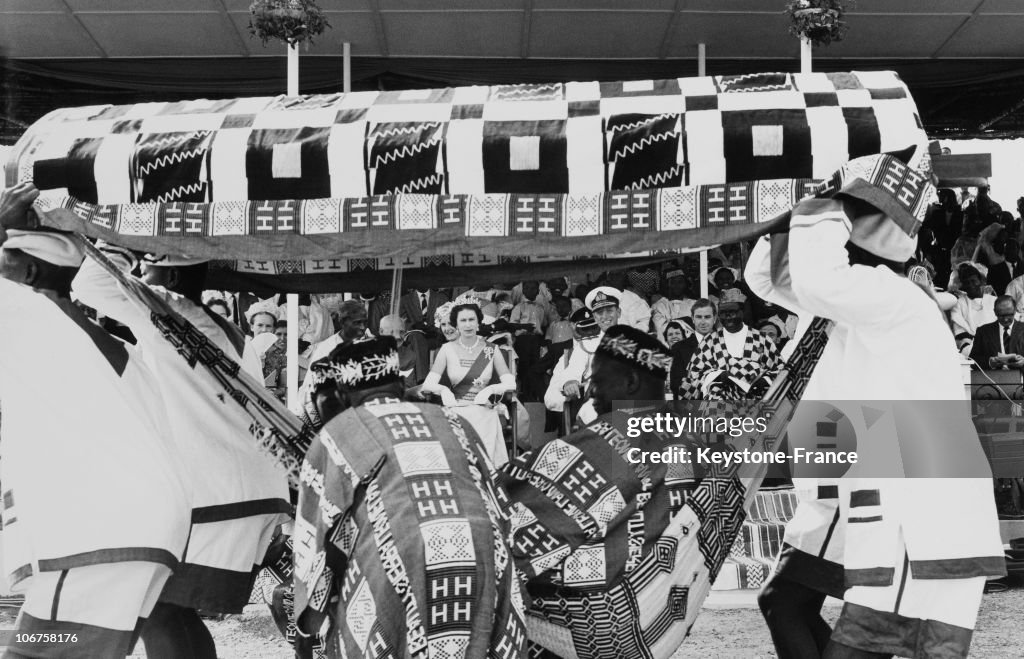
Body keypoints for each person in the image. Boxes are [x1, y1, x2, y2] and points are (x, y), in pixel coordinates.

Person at [747, 181, 1004, 659]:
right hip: (855, 484)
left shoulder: (893, 298)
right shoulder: (844, 304)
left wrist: (827, 198)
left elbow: (813, 279)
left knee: (862, 649)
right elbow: (767, 279)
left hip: (916, 501)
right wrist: (797, 199)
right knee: (783, 602)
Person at [73, 241, 291, 659]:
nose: (137, 281)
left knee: (155, 605)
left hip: (214, 491)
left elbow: (91, 282)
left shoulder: (164, 312)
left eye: (147, 271)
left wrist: (121, 233)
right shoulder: (231, 333)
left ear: (170, 279)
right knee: (166, 607)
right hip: (239, 487)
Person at [0, 183, 190, 658]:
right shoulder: (112, 349)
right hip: (136, 531)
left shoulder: (30, 316)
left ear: (27, 269)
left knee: (36, 651)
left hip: (99, 535)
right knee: (48, 645)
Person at [293, 337, 528, 658]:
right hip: (481, 552)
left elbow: (320, 542)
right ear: (402, 384)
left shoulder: (338, 432)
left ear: (342, 394)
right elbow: (501, 511)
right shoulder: (453, 421)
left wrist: (307, 628)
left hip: (402, 558)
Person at [496, 326, 677, 659]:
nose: (589, 389)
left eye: (596, 378)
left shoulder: (611, 438)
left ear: (631, 383)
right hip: (652, 607)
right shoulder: (684, 436)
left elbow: (508, 503)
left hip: (584, 615)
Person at [419, 302, 517, 466]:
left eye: (472, 319)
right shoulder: (447, 349)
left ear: (479, 322)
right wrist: (444, 391)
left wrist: (492, 389)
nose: (468, 324)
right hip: (456, 408)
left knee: (486, 421)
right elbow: (428, 384)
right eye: (462, 320)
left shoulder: (491, 349)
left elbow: (510, 382)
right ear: (456, 324)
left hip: (483, 409)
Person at [678, 290, 779, 400]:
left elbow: (780, 370)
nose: (727, 316)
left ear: (742, 312)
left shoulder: (761, 339)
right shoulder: (710, 341)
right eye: (722, 312)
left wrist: (765, 380)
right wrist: (716, 376)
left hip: (754, 404)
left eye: (732, 311)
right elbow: (693, 375)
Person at [669, 298, 716, 394]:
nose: (703, 322)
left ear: (714, 319)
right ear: (693, 319)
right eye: (699, 317)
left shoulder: (724, 344)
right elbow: (675, 385)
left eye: (707, 317)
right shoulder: (678, 348)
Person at [951, 263, 997, 356]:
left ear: (980, 281)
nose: (970, 285)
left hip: (995, 342)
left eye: (973, 281)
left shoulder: (993, 300)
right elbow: (960, 332)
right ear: (962, 284)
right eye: (966, 282)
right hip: (970, 343)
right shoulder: (959, 303)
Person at [969, 295, 1024, 370]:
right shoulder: (983, 332)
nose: (1005, 319)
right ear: (995, 312)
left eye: (1009, 315)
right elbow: (972, 360)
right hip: (994, 378)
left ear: (1015, 310)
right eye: (1001, 315)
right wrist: (990, 362)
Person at [651, 269, 695, 343]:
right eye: (672, 282)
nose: (676, 285)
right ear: (667, 285)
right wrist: (687, 320)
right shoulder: (658, 305)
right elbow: (660, 327)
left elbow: (697, 325)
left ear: (685, 284)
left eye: (680, 282)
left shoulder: (694, 304)